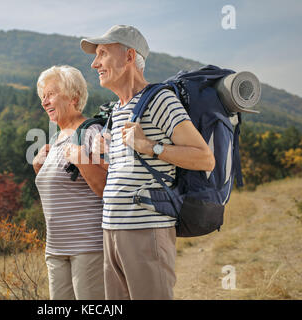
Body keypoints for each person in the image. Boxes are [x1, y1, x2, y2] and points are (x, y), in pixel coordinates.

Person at [80, 25, 215, 300]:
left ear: (129, 57)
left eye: (103, 54)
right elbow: (130, 173)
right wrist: (103, 155)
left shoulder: (160, 100)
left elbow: (204, 157)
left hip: (145, 231)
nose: (95, 63)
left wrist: (151, 146)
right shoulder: (117, 109)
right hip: (111, 229)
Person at [33, 65, 107, 300]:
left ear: (74, 98)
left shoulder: (91, 131)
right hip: (55, 248)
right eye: (43, 96)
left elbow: (107, 188)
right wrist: (38, 168)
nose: (45, 101)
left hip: (88, 246)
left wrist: (82, 160)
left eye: (51, 94)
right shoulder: (56, 138)